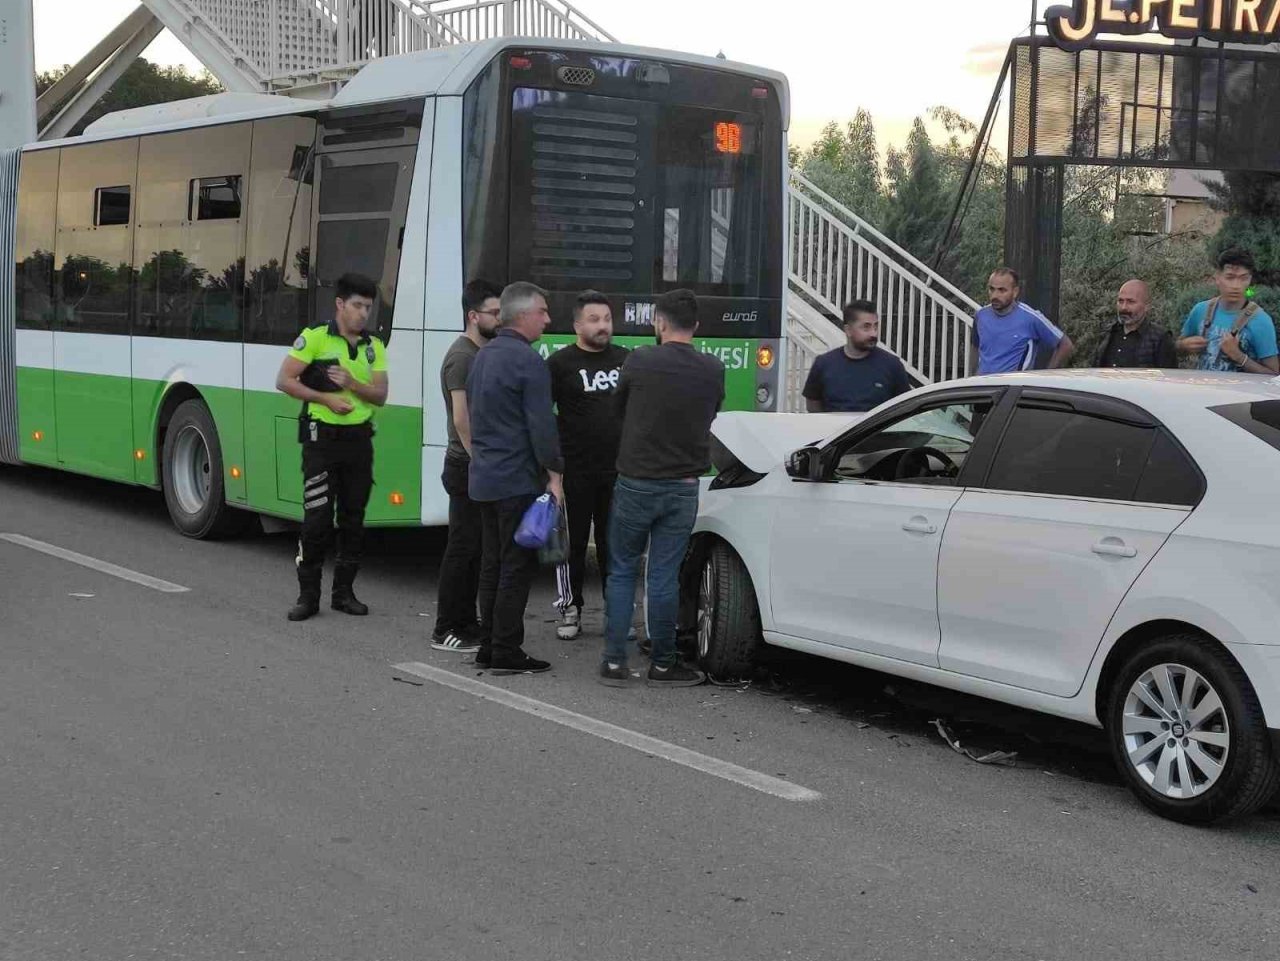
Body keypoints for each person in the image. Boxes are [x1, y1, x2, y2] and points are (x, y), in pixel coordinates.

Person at [600, 289, 724, 688]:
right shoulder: (713, 368)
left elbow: (617, 410)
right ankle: (665, 664)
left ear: (660, 322)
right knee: (664, 575)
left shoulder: (639, 360)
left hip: (636, 481)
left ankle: (615, 662)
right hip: (684, 485)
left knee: (621, 570)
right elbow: (711, 412)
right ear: (697, 326)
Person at [275, 272, 388, 622]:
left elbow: (381, 395)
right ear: (340, 304)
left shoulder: (373, 346)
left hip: (358, 442)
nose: (363, 314)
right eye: (357, 305)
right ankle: (308, 596)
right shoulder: (316, 338)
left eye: (368, 307)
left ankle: (344, 593)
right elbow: (284, 381)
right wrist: (325, 397)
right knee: (317, 519)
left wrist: (352, 384)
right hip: (321, 441)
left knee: (353, 519)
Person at [467, 281, 564, 675]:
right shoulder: (529, 362)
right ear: (523, 315)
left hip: (484, 478)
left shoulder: (483, 356)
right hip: (516, 480)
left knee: (492, 564)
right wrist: (555, 476)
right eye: (542, 311)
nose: (548, 318)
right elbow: (542, 427)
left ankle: (488, 645)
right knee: (516, 567)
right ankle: (507, 650)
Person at [546, 291, 630, 640]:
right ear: (577, 324)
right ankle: (570, 608)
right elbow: (542, 419)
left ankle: (617, 613)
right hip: (575, 472)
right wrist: (553, 474)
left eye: (607, 319)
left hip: (619, 472)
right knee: (573, 544)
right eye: (594, 320)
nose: (603, 326)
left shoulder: (627, 360)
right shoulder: (559, 364)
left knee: (616, 546)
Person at [430, 279, 502, 653]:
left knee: (475, 548)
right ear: (474, 316)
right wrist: (481, 461)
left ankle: (467, 620)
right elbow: (462, 418)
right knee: (461, 548)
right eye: (494, 312)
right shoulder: (462, 357)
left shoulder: (482, 353)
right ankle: (445, 628)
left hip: (476, 465)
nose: (499, 318)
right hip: (465, 465)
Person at [1177, 248, 1280, 374]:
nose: (1236, 285)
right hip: (1204, 391)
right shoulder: (1201, 310)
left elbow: (1274, 376)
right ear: (1217, 277)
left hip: (1241, 393)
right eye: (1230, 277)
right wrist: (1183, 346)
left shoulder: (1261, 320)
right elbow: (1176, 348)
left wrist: (1239, 357)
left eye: (1243, 278)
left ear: (1250, 280)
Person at [802, 300, 911, 412]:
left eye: (876, 326)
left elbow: (905, 408)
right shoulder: (823, 364)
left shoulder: (892, 365)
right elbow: (813, 405)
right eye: (866, 327)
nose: (873, 333)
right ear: (848, 330)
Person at [972, 268, 1075, 374]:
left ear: (1015, 292)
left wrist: (1046, 376)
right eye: (991, 289)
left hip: (1013, 387)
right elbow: (975, 346)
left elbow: (1066, 345)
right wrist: (972, 378)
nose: (995, 295)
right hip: (983, 385)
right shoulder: (981, 315)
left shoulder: (1030, 318)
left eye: (1002, 290)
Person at [1094, 280, 1178, 369]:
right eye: (1120, 301)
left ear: (1147, 306)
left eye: (1131, 302)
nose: (1124, 307)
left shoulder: (1160, 338)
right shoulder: (1108, 333)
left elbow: (1166, 377)